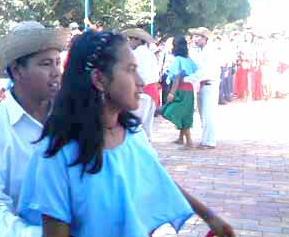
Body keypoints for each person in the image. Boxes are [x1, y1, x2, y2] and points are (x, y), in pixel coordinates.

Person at [16, 30, 235, 237]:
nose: (140, 81)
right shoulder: (58, 154)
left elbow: (156, 176)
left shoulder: (133, 134)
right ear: (99, 79)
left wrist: (208, 216)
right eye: (130, 70)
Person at [0, 21, 70, 236]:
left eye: (57, 62)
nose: (56, 72)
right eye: (45, 64)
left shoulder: (74, 117)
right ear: (17, 70)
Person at [184, 27, 221, 149]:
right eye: (194, 36)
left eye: (198, 36)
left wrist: (187, 79)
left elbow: (204, 72)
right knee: (203, 114)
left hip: (209, 84)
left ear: (205, 38)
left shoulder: (210, 51)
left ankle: (209, 141)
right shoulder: (200, 51)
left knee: (208, 114)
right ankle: (206, 140)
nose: (195, 39)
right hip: (203, 85)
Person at [122, 28, 160, 141]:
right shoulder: (150, 54)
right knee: (147, 128)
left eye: (130, 39)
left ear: (137, 40)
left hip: (142, 92)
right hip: (152, 92)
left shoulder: (135, 54)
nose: (128, 42)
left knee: (135, 126)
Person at [161, 36, 197, 148]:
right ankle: (181, 138)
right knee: (185, 113)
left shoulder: (177, 60)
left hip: (180, 89)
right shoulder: (189, 60)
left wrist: (171, 93)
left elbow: (177, 77)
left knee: (171, 111)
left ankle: (189, 142)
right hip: (189, 89)